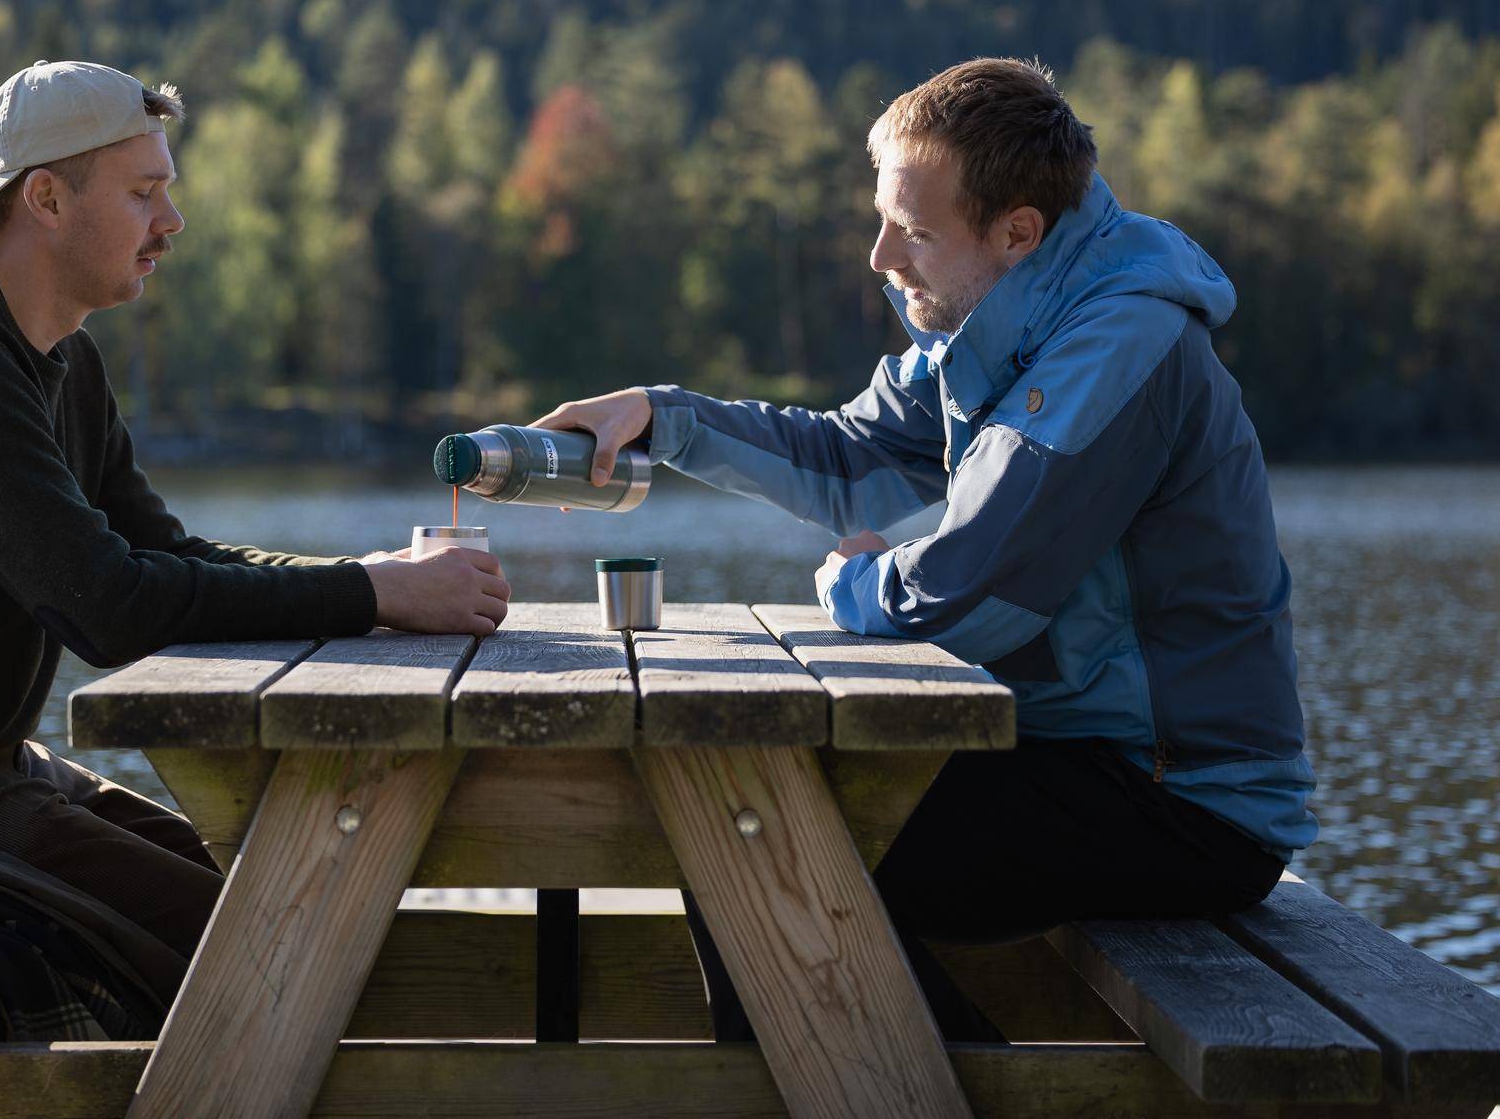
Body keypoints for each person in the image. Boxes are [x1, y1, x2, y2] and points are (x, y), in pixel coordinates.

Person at [0, 60, 511, 960]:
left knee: (264, 896)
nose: (171, 220)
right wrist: (370, 594)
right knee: (255, 943)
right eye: (142, 193)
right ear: (46, 199)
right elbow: (110, 607)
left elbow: (163, 551)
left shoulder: (63, 357)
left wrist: (371, 580)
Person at [538, 57, 1312, 958]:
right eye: (881, 221)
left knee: (766, 857)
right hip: (1076, 757)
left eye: (911, 231)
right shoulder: (995, 329)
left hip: (1187, 799)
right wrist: (661, 418)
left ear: (1017, 232)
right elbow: (847, 458)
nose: (880, 257)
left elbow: (972, 594)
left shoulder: (1119, 344)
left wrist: (854, 582)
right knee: (749, 826)